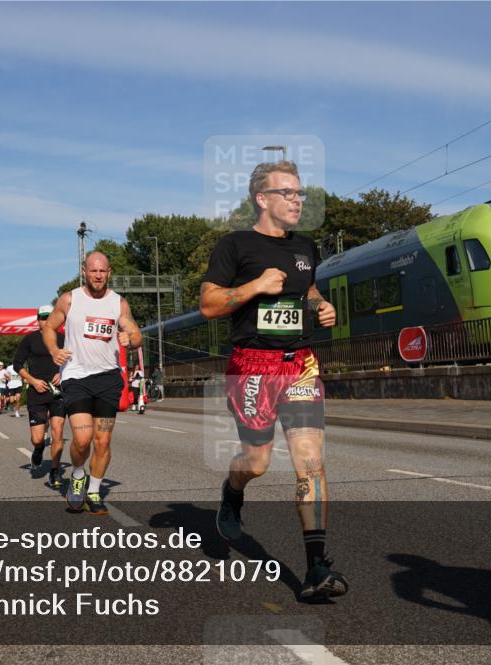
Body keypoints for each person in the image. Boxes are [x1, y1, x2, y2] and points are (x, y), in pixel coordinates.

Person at [199, 160, 348, 601]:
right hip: (252, 367)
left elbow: (309, 289)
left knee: (311, 462)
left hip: (300, 363)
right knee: (258, 462)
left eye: (300, 193)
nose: (298, 200)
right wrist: (255, 286)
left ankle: (316, 567)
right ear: (262, 199)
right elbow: (209, 304)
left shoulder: (306, 246)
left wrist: (321, 306)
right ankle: (232, 491)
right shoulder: (235, 245)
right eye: (288, 193)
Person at [44, 251, 142, 516]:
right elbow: (49, 327)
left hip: (108, 380)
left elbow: (134, 332)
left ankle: (95, 490)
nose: (98, 275)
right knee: (83, 438)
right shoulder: (69, 299)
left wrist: (130, 339)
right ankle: (77, 474)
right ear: (84, 271)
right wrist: (54, 351)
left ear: (109, 272)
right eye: (93, 271)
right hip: (76, 377)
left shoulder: (118, 303)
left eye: (103, 271)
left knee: (102, 442)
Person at [14, 304, 68, 487]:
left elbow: (77, 361)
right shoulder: (29, 340)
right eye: (42, 318)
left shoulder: (64, 339)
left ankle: (54, 472)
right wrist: (32, 381)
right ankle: (38, 449)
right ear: (37, 320)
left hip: (59, 392)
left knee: (58, 431)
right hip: (37, 393)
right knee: (38, 438)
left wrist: (63, 374)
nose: (45, 321)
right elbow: (17, 365)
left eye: (48, 317)